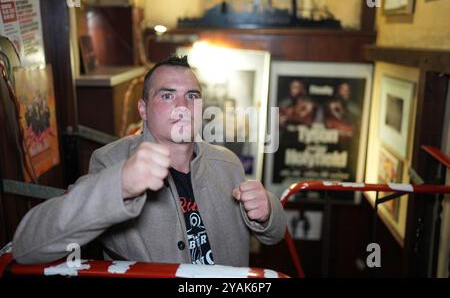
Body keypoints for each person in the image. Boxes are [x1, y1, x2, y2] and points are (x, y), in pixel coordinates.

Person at [12, 56, 287, 267]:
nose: (182, 105)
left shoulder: (227, 163)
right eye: (167, 95)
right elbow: (27, 246)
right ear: (143, 109)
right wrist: (119, 186)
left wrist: (268, 212)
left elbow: (274, 235)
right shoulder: (111, 162)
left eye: (192, 96)